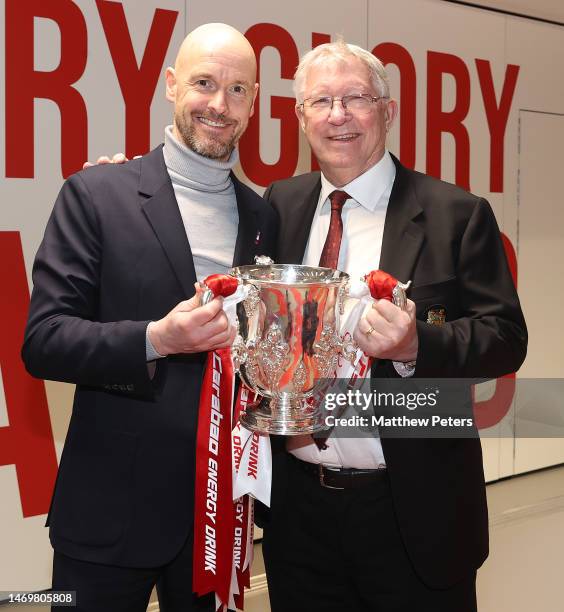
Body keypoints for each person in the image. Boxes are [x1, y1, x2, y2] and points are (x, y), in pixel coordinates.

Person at [259, 40, 527, 612]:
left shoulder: (456, 213)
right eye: (321, 101)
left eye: (356, 97)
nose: (338, 116)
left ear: (388, 110)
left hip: (413, 511)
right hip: (299, 514)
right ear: (300, 116)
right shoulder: (280, 204)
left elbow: (505, 337)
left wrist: (415, 344)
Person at [22, 23, 276, 612]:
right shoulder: (96, 194)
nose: (220, 105)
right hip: (107, 517)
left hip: (216, 522)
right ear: (170, 86)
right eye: (205, 84)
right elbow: (44, 340)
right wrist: (156, 339)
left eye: (238, 90)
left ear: (255, 101)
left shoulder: (265, 217)